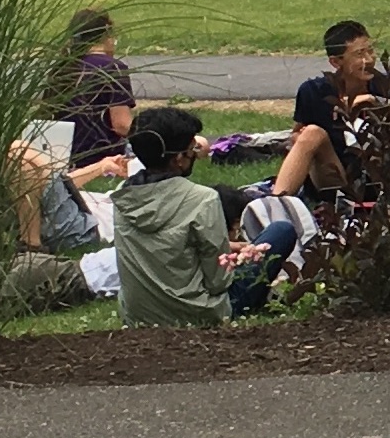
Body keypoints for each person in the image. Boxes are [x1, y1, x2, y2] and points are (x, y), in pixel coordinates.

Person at [115, 106, 293, 325]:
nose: (196, 155)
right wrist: (237, 259)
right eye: (193, 149)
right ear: (179, 158)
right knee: (282, 231)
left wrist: (225, 246)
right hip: (200, 315)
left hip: (139, 316)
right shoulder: (203, 199)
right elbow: (218, 282)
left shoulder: (123, 196)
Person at [273, 19, 390, 199]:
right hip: (334, 175)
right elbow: (296, 134)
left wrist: (376, 106)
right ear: (336, 62)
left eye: (370, 50)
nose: (368, 60)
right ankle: (276, 204)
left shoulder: (387, 84)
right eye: (360, 54)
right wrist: (303, 138)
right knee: (312, 133)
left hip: (378, 173)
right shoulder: (313, 92)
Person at [63, 9, 136, 168]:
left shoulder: (61, 68)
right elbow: (122, 125)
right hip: (102, 155)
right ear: (107, 36)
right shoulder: (112, 68)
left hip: (64, 154)